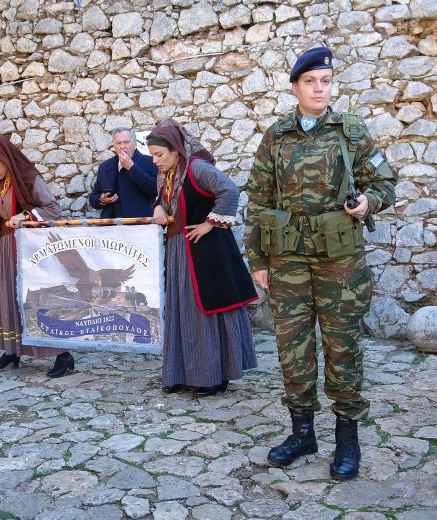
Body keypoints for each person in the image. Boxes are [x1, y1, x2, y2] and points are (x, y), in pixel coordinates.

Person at [244, 47, 397, 480]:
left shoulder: (350, 131)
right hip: (287, 259)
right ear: (295, 87)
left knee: (343, 346)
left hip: (340, 261)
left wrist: (369, 202)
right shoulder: (276, 136)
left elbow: (385, 180)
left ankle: (347, 438)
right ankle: (302, 431)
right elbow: (258, 198)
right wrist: (257, 258)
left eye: (325, 81)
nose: (318, 88)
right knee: (293, 349)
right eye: (310, 81)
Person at [148, 119, 258, 398]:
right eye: (152, 155)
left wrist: (210, 223)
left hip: (206, 254)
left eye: (159, 155)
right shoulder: (168, 175)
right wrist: (158, 206)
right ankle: (184, 373)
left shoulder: (196, 168)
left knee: (203, 313)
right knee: (181, 312)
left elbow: (229, 190)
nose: (155, 161)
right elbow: (167, 201)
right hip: (179, 251)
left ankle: (212, 377)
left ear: (175, 150)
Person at [0, 134, 75, 378]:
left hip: (30, 251)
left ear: (5, 159)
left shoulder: (29, 179)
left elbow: (53, 208)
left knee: (35, 300)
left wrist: (26, 215)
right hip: (5, 249)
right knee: (8, 299)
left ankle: (62, 354)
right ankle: (12, 350)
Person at [89, 128, 158, 218]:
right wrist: (102, 200)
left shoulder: (150, 162)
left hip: (140, 225)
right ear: (114, 146)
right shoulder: (105, 166)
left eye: (126, 142)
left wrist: (131, 167)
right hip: (110, 227)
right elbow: (93, 198)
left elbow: (155, 190)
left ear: (135, 144)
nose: (122, 146)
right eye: (118, 143)